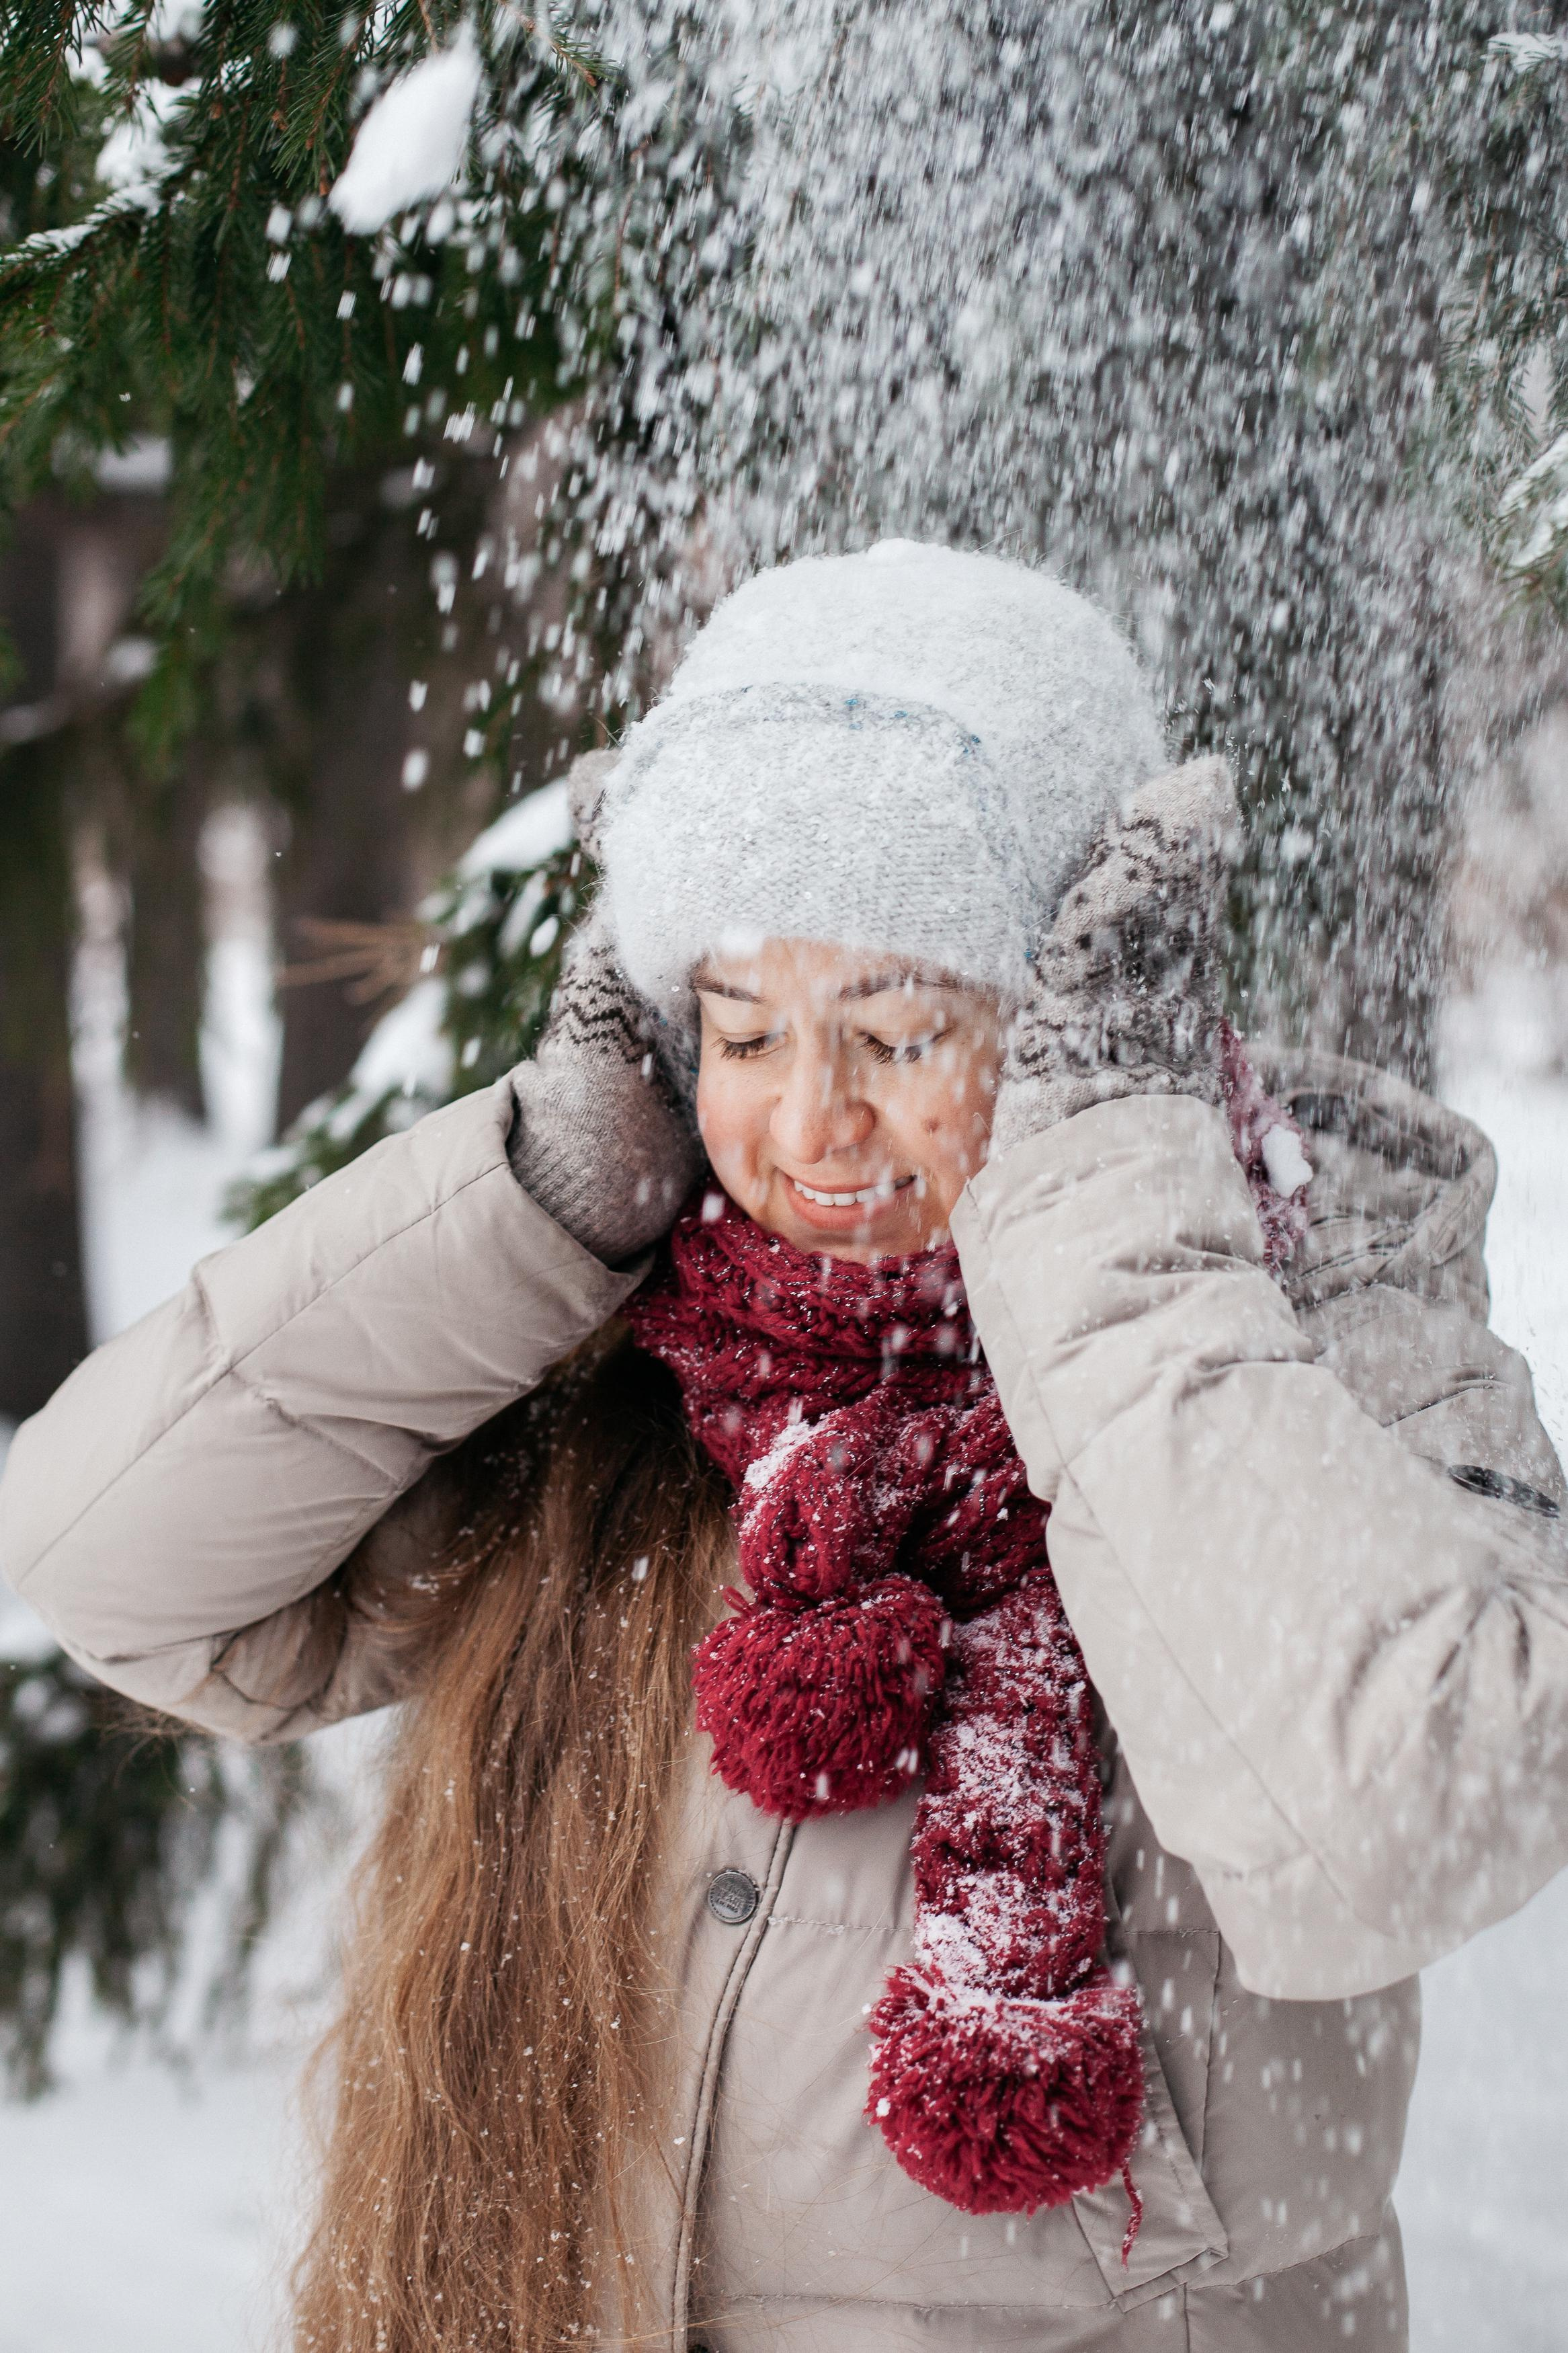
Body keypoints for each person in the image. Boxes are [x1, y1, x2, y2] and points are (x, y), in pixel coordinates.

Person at [4, 540, 1568, 2353]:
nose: (811, 1121)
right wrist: (538, 1198)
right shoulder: (630, 1348)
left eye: (902, 1030)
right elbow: (116, 1564)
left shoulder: (1303, 1297)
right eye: (742, 1030)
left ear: (1075, 1014)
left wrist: (1096, 1216)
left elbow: (1413, 1813)